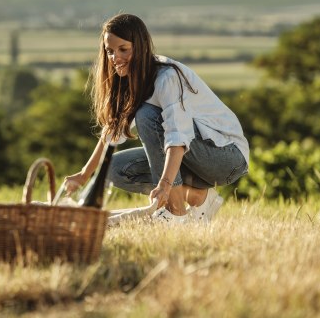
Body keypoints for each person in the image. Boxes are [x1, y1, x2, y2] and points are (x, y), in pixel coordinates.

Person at [64, 13, 249, 223]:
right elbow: (111, 133)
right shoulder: (129, 81)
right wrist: (84, 175)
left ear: (140, 46)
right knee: (114, 169)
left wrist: (164, 185)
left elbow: (177, 138)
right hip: (193, 158)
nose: (115, 58)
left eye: (123, 49)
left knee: (147, 115)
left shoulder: (166, 77)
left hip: (227, 158)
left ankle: (175, 214)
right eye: (110, 51)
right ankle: (199, 197)